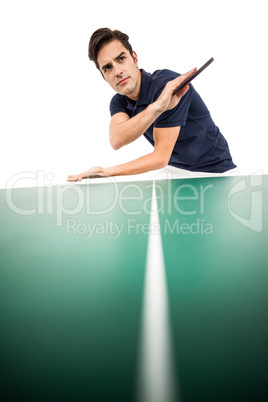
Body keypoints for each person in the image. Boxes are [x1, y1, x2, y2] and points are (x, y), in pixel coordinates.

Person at [67, 28, 236, 182]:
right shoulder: (119, 101)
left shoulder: (168, 86)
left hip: (215, 172)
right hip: (174, 169)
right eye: (108, 68)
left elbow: (160, 157)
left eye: (121, 59)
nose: (118, 71)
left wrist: (107, 171)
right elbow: (116, 140)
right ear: (104, 77)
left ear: (134, 58)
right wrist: (157, 108)